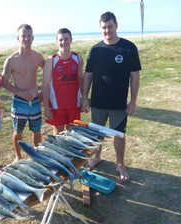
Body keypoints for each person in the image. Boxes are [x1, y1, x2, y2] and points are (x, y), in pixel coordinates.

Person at [82, 12, 141, 181]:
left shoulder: (128, 48)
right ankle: (96, 157)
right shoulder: (95, 49)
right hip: (98, 102)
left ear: (116, 25)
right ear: (100, 28)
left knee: (119, 135)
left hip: (118, 103)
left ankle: (120, 164)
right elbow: (88, 75)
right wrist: (85, 97)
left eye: (110, 26)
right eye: (104, 28)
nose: (107, 30)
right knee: (96, 133)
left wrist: (133, 101)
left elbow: (135, 76)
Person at [1, 24, 45, 162]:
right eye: (23, 36)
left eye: (29, 36)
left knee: (36, 131)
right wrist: (21, 92)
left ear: (33, 38)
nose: (26, 38)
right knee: (18, 132)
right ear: (18, 38)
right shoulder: (11, 60)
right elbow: (4, 82)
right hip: (19, 101)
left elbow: (48, 74)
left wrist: (42, 91)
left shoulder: (38, 57)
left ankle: (36, 156)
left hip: (35, 100)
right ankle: (18, 157)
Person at [42, 28, 84, 135]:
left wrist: (84, 99)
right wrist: (46, 108)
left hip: (74, 104)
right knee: (58, 133)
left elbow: (82, 81)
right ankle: (59, 152)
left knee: (73, 133)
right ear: (57, 41)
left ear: (71, 40)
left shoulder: (78, 58)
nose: (63, 42)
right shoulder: (51, 61)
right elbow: (45, 86)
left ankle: (69, 152)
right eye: (60, 40)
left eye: (66, 39)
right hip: (57, 105)